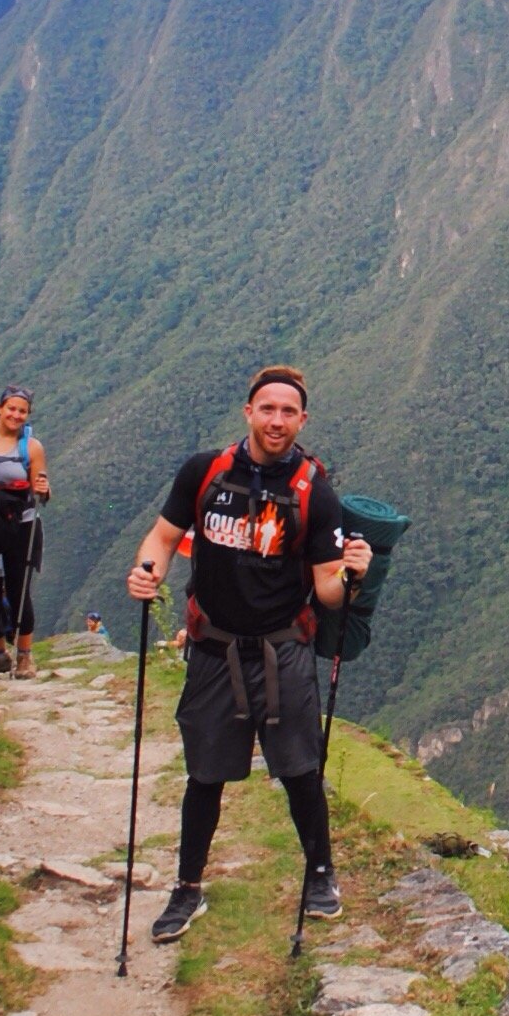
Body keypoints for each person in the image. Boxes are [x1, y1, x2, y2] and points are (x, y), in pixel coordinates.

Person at [126, 365, 370, 940]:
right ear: (248, 412)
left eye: (288, 412)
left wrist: (352, 575)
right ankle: (188, 887)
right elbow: (163, 538)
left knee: (301, 770)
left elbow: (327, 589)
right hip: (214, 647)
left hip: (283, 649)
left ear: (302, 419)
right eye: (268, 409)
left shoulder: (315, 490)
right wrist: (146, 574)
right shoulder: (205, 472)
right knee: (204, 775)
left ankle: (319, 873)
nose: (277, 421)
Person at [0, 385, 51, 680]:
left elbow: (40, 487)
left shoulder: (32, 448)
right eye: (11, 409)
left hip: (21, 526)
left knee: (19, 591)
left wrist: (43, 488)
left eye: (22, 411)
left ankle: (25, 656)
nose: (16, 415)